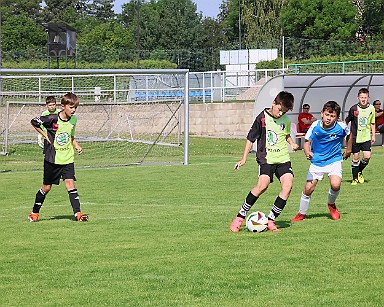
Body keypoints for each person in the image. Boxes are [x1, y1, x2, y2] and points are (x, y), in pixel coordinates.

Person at [230, 91, 299, 232]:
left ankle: (271, 220)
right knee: (262, 186)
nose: (281, 114)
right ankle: (240, 217)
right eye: (280, 110)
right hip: (266, 158)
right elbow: (251, 138)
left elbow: (285, 134)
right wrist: (244, 158)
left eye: (284, 112)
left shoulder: (285, 120)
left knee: (288, 185)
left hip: (283, 158)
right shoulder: (262, 119)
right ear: (274, 103)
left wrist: (291, 143)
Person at [28, 92, 88, 222]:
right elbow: (34, 122)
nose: (73, 110)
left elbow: (70, 135)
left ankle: (78, 214)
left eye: (75, 107)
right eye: (71, 107)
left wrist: (76, 145)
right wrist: (44, 134)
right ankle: (34, 213)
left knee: (70, 184)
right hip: (52, 159)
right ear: (63, 106)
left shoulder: (74, 120)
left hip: (67, 158)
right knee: (46, 188)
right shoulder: (52, 119)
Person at [291, 101, 352, 222]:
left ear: (337, 117)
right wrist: (307, 152)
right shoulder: (315, 126)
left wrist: (349, 150)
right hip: (317, 161)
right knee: (308, 189)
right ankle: (301, 213)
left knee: (335, 185)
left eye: (332, 116)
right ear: (322, 114)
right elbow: (307, 141)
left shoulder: (341, 127)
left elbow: (350, 134)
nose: (329, 118)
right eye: (327, 115)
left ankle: (331, 205)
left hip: (334, 160)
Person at [345, 88, 375, 185]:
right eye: (361, 97)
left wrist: (373, 135)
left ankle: (359, 171)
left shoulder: (371, 108)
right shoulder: (354, 109)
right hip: (355, 137)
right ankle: (354, 179)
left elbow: (372, 122)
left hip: (366, 136)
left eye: (365, 97)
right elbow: (347, 120)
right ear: (358, 98)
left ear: (368, 97)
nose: (363, 99)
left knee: (367, 157)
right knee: (356, 157)